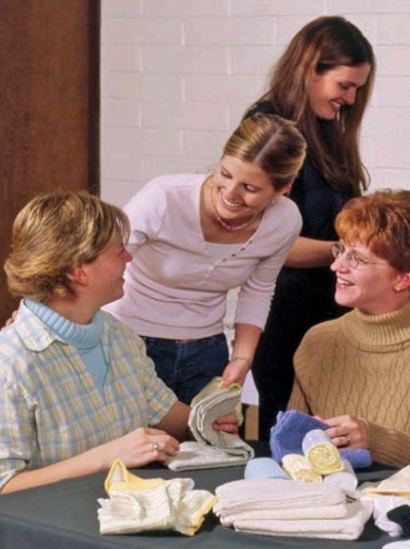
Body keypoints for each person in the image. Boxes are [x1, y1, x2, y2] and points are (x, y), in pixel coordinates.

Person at [0, 191, 240, 494]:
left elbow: (167, 414)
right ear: (79, 272)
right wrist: (106, 457)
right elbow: (4, 483)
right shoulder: (10, 364)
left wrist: (209, 421)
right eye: (119, 251)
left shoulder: (119, 337)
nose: (129, 257)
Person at [106, 114, 306, 404]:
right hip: (128, 340)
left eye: (250, 188)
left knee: (206, 434)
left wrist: (242, 359)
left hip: (207, 351)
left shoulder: (284, 221)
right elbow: (101, 260)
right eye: (225, 174)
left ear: (282, 190)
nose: (230, 193)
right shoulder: (164, 197)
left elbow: (258, 290)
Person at [287, 190, 410, 469]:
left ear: (403, 278)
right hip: (328, 494)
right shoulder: (318, 340)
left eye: (356, 258)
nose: (336, 265)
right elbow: (292, 450)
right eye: (341, 250)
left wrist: (376, 441)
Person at [243, 15, 376, 440]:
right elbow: (266, 242)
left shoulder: (324, 131)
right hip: (286, 320)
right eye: (344, 86)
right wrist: (346, 253)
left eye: (357, 89)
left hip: (331, 318)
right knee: (287, 441)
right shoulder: (268, 129)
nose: (350, 99)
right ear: (309, 70)